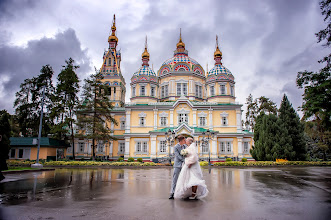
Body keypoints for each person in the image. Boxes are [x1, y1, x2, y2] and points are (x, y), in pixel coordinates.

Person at [169, 135, 186, 199]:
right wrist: (184, 160)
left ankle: (182, 193)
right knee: (175, 179)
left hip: (184, 165)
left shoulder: (185, 146)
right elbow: (177, 156)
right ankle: (172, 193)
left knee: (183, 179)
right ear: (181, 140)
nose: (185, 141)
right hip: (177, 165)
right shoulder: (176, 147)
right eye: (184, 140)